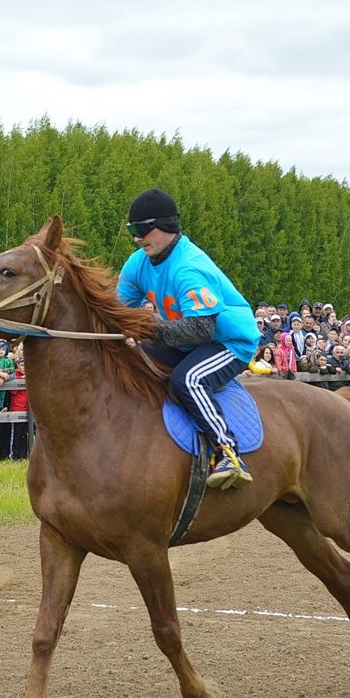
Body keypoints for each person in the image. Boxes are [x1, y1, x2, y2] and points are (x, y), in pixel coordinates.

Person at [117, 189, 259, 488]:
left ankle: (228, 453)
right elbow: (117, 311)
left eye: (142, 229)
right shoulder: (137, 263)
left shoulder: (189, 268)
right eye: (132, 230)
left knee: (188, 379)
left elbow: (201, 330)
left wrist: (149, 330)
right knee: (130, 362)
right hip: (184, 340)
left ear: (167, 226)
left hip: (229, 342)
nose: (137, 238)